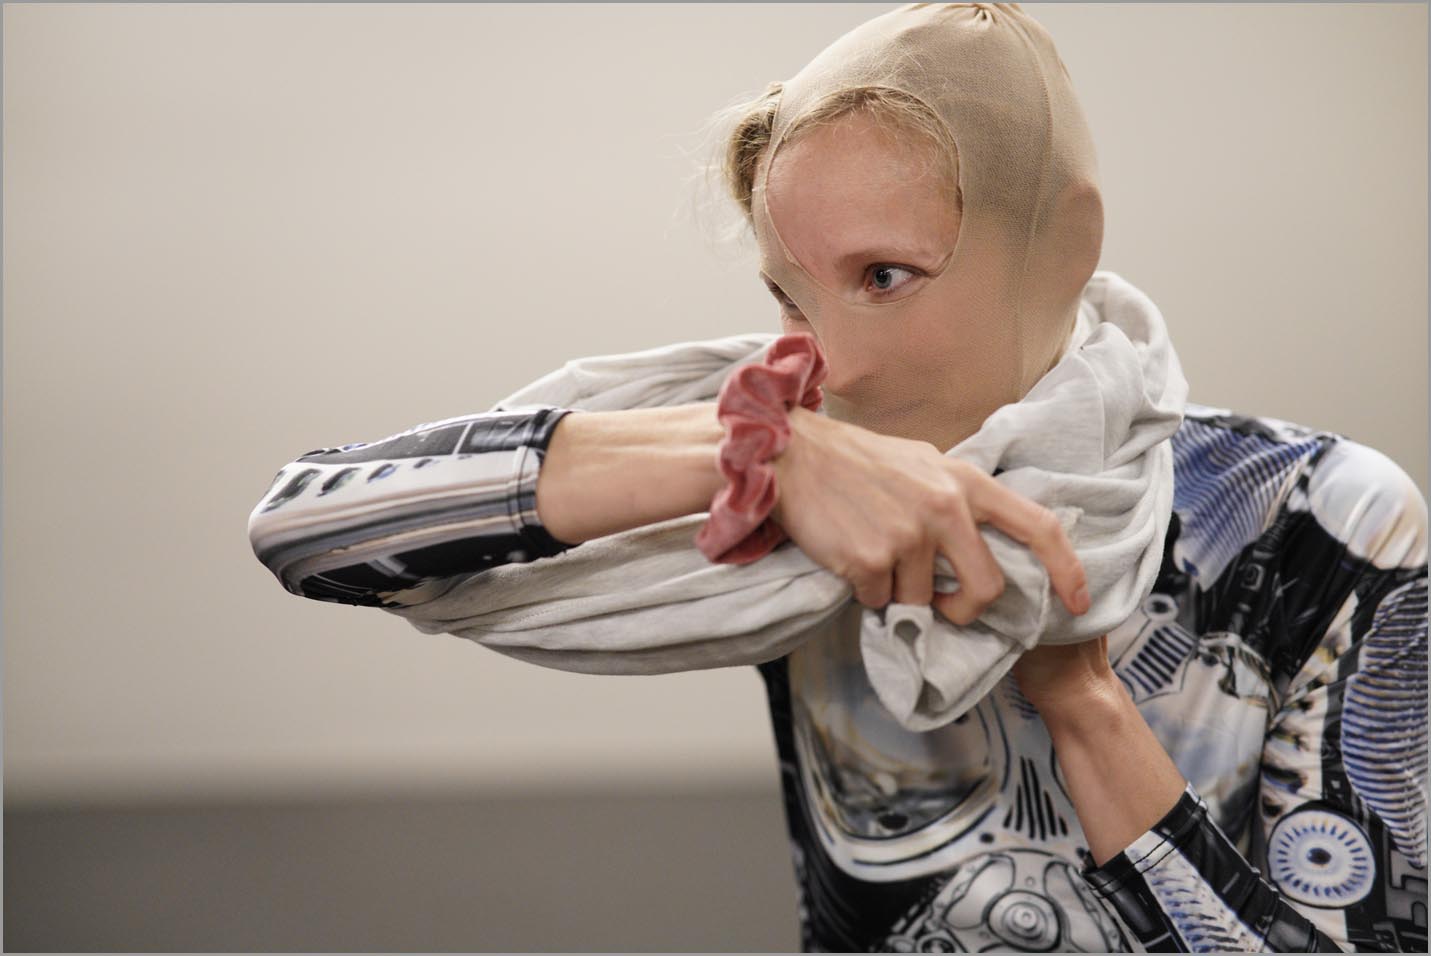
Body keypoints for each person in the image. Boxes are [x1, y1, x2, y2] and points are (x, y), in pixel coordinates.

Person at [249, 3, 1428, 951]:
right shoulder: (809, 479)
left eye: (885, 277)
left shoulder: (1321, 520)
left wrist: (1083, 699)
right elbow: (307, 528)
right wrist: (753, 453)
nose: (833, 362)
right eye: (789, 293)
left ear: (1063, 245)